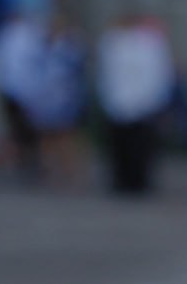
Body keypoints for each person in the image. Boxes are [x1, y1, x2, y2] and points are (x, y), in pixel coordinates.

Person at [97, 15, 175, 195]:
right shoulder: (115, 43)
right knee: (121, 147)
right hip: (121, 103)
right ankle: (123, 180)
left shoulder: (150, 45)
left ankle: (137, 180)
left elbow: (157, 75)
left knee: (139, 148)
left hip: (141, 104)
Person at [31, 19, 87, 188]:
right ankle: (49, 171)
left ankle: (71, 171)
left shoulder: (67, 51)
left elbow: (75, 74)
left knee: (65, 136)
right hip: (45, 100)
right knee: (46, 137)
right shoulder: (42, 52)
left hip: (63, 99)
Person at [0, 13, 45, 181]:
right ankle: (23, 162)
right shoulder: (7, 35)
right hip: (13, 91)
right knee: (18, 130)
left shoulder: (32, 34)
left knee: (33, 130)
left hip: (31, 91)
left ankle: (35, 162)